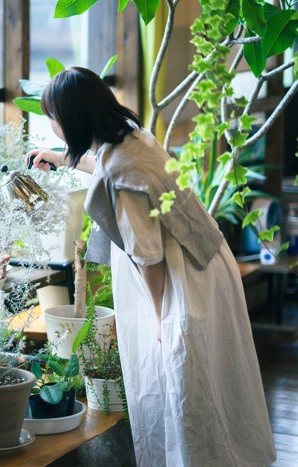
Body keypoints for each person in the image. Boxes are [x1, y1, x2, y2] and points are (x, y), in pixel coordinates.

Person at [28, 66, 276, 467]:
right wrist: (62, 159)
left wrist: (161, 319)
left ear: (72, 119)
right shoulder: (132, 135)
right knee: (215, 376)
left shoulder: (120, 178)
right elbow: (108, 167)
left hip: (179, 283)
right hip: (207, 261)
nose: (51, 125)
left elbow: (148, 255)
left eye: (53, 119)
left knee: (181, 384)